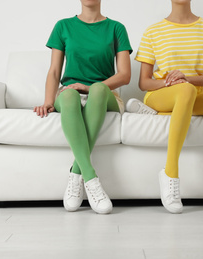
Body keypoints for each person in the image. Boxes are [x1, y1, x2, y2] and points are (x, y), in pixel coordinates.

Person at [128, 0, 203, 213]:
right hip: (161, 94)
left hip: (195, 94)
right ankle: (170, 173)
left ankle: (163, 114)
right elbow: (144, 82)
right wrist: (171, 83)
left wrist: (186, 78)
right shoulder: (153, 31)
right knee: (185, 90)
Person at [34, 0, 132, 214]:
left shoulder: (116, 28)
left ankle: (77, 173)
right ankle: (90, 178)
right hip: (70, 92)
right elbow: (54, 72)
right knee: (68, 95)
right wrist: (49, 101)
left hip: (103, 94)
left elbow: (125, 75)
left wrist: (89, 87)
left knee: (97, 89)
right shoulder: (63, 26)